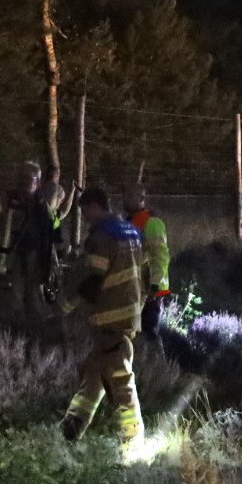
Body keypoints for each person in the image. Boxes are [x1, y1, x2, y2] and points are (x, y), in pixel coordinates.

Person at [59, 187, 146, 454]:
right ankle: (71, 429)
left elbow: (95, 281)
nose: (85, 218)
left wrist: (64, 306)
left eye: (85, 211)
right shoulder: (130, 231)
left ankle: (132, 443)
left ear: (95, 206)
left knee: (120, 379)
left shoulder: (102, 236)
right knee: (94, 373)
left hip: (110, 317)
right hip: (129, 311)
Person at [0, 162, 67, 322]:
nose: (28, 183)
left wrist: (55, 255)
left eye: (31, 180)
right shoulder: (11, 198)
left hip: (35, 257)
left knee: (34, 296)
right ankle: (12, 326)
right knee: (12, 296)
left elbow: (52, 225)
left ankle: (34, 328)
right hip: (12, 255)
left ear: (38, 182)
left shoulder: (41, 203)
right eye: (25, 179)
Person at [122, 184, 171, 339]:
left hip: (150, 289)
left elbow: (160, 256)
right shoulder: (129, 223)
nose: (125, 200)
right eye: (125, 196)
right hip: (137, 287)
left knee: (148, 332)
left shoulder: (151, 223)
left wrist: (154, 284)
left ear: (141, 199)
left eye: (130, 197)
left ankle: (156, 360)